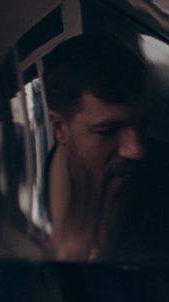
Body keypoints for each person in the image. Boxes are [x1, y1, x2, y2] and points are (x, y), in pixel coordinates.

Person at [43, 34, 148, 262]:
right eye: (108, 131)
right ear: (60, 128)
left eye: (142, 126)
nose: (137, 150)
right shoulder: (15, 217)